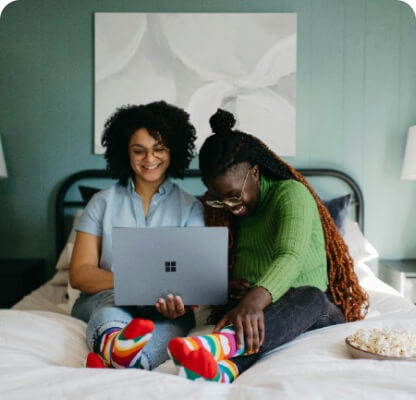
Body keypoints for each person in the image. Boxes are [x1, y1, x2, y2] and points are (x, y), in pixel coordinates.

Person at [167, 108, 369, 383]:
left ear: (255, 172)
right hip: (263, 309)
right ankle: (225, 370)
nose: (231, 208)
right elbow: (220, 264)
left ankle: (218, 345)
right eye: (219, 199)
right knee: (251, 316)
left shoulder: (291, 195)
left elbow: (289, 257)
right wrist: (228, 287)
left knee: (308, 295)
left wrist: (252, 301)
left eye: (234, 196)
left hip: (314, 308)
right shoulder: (226, 211)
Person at [70, 101, 204, 370]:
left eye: (159, 149)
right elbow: (79, 274)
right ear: (125, 153)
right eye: (138, 151)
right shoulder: (101, 203)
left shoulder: (191, 207)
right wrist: (132, 286)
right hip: (108, 296)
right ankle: (118, 350)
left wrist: (177, 302)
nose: (150, 159)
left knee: (172, 323)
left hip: (165, 307)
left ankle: (120, 359)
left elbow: (194, 279)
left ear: (173, 151)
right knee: (110, 307)